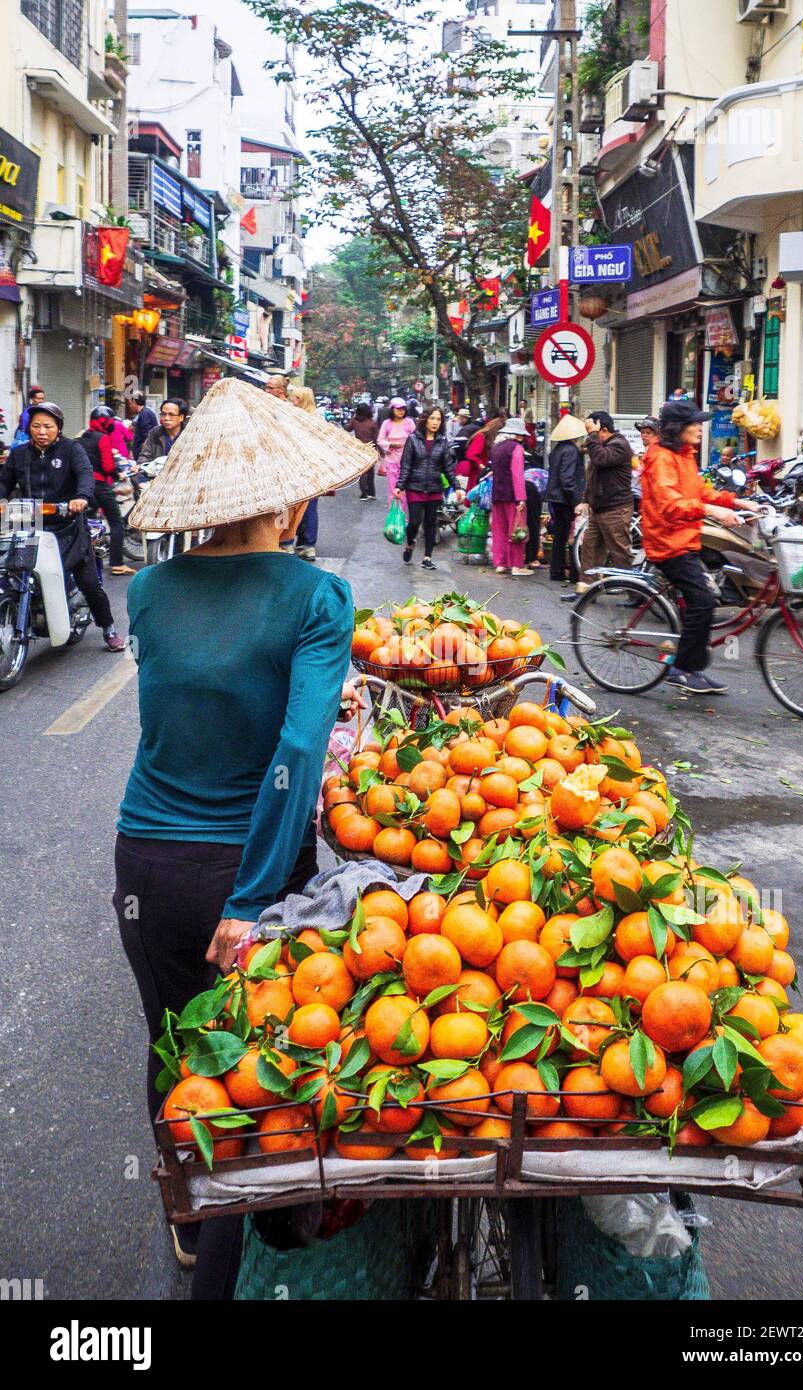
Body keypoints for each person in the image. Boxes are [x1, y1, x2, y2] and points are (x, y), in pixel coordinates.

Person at [115, 376, 368, 1293]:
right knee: (253, 1071)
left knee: (172, 1042)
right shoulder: (316, 596)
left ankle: (185, 1212)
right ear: (291, 496)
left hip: (146, 858)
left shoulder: (147, 591)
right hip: (244, 864)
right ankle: (223, 1263)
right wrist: (255, 898)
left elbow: (190, 707)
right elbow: (297, 749)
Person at [641, 400, 761, 696]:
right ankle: (682, 670)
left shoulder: (684, 455)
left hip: (686, 539)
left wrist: (735, 501)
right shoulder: (660, 459)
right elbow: (670, 505)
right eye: (694, 423)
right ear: (677, 428)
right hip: (667, 543)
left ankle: (692, 665)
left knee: (705, 599)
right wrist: (712, 511)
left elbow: (699, 491)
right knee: (703, 600)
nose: (699, 428)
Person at [0, 402, 125, 649]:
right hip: (30, 524)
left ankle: (109, 629)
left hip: (67, 526)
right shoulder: (19, 454)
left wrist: (81, 498)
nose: (42, 431)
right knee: (13, 571)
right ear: (29, 428)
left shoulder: (72, 450)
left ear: (58, 428)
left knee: (88, 582)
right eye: (36, 426)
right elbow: (4, 483)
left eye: (48, 426)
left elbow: (85, 476)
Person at [572, 410, 634, 594]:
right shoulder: (600, 445)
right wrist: (585, 500)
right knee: (589, 548)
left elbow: (600, 458)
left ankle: (634, 591)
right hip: (598, 509)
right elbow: (592, 476)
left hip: (616, 509)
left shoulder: (619, 445)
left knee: (619, 552)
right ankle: (586, 589)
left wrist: (592, 436)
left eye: (594, 430)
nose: (590, 436)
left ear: (604, 429)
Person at [394, 406, 463, 570]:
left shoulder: (443, 442)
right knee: (414, 522)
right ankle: (410, 543)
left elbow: (448, 468)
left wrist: (457, 487)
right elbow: (406, 465)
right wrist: (399, 486)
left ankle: (427, 557)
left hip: (434, 488)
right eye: (432, 418)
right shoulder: (413, 439)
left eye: (438, 419)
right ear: (425, 420)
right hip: (415, 487)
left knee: (430, 523)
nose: (435, 422)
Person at [77, 406, 135, 576]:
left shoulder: (82, 438)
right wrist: (118, 473)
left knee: (87, 523)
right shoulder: (103, 438)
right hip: (100, 486)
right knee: (116, 522)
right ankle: (117, 563)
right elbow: (108, 466)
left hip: (83, 487)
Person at [489, 417, 532, 577]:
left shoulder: (496, 447)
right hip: (513, 495)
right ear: (518, 434)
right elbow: (517, 474)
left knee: (499, 529)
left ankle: (501, 563)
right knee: (516, 529)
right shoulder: (516, 448)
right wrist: (521, 498)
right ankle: (516, 565)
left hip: (497, 494)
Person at [547, 413, 586, 586]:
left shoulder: (557, 450)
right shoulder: (571, 451)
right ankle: (573, 574)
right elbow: (568, 478)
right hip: (565, 499)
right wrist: (576, 499)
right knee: (572, 535)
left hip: (556, 498)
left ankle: (557, 570)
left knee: (559, 536)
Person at [289, 386, 321, 558]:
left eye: (294, 398)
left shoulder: (294, 418)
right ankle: (308, 545)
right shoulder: (318, 419)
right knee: (309, 508)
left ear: (300, 400)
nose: (291, 401)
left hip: (298, 469)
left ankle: (288, 543)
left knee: (293, 508)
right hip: (312, 470)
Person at [376, 398, 416, 505]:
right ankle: (395, 517)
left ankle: (407, 518)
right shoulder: (386, 423)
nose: (401, 411)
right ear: (392, 409)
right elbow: (380, 440)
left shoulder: (409, 423)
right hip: (391, 461)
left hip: (407, 462)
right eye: (398, 409)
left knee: (406, 491)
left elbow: (417, 439)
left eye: (403, 408)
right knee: (393, 490)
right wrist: (391, 445)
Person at [459, 415, 503, 493]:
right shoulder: (481, 437)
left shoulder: (485, 438)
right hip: (478, 475)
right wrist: (482, 467)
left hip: (482, 475)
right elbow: (471, 455)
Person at [138, 397, 188, 464]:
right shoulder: (155, 432)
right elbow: (145, 455)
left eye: (171, 415)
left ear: (181, 417)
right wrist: (140, 465)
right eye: (163, 414)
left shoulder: (189, 434)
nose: (166, 418)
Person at [346, 402, 379, 497]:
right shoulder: (372, 423)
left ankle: (364, 493)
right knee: (370, 471)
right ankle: (371, 493)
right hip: (371, 448)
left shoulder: (354, 421)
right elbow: (376, 439)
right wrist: (379, 451)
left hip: (359, 448)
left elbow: (348, 428)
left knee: (362, 472)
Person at [128, 391, 159, 461]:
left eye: (130, 403)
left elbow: (147, 438)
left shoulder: (144, 414)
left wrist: (142, 458)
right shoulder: (145, 412)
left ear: (134, 401)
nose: (129, 406)